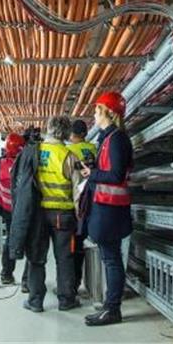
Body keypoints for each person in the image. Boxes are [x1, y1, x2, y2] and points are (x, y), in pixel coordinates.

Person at [79, 92, 133, 327]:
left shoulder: (118, 138)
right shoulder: (108, 138)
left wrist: (93, 173)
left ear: (108, 112)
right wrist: (93, 169)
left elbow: (116, 174)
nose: (94, 113)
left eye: (97, 109)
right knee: (109, 258)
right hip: (106, 208)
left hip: (110, 210)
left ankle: (113, 309)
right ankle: (111, 305)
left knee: (111, 260)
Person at [22, 116, 80, 313]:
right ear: (66, 132)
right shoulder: (69, 156)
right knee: (64, 258)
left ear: (48, 129)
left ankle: (35, 300)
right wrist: (80, 217)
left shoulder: (34, 152)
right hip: (63, 215)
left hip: (38, 214)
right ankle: (66, 300)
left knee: (37, 257)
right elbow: (78, 190)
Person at [65, 119, 97, 296]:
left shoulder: (70, 151)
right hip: (94, 202)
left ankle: (74, 284)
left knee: (75, 247)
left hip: (78, 204)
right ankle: (93, 282)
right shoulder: (93, 149)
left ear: (71, 134)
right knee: (91, 244)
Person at [0, 132, 25, 285]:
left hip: (6, 207)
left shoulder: (0, 163)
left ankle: (6, 274)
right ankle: (26, 281)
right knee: (28, 242)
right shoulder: (19, 165)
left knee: (10, 240)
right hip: (19, 209)